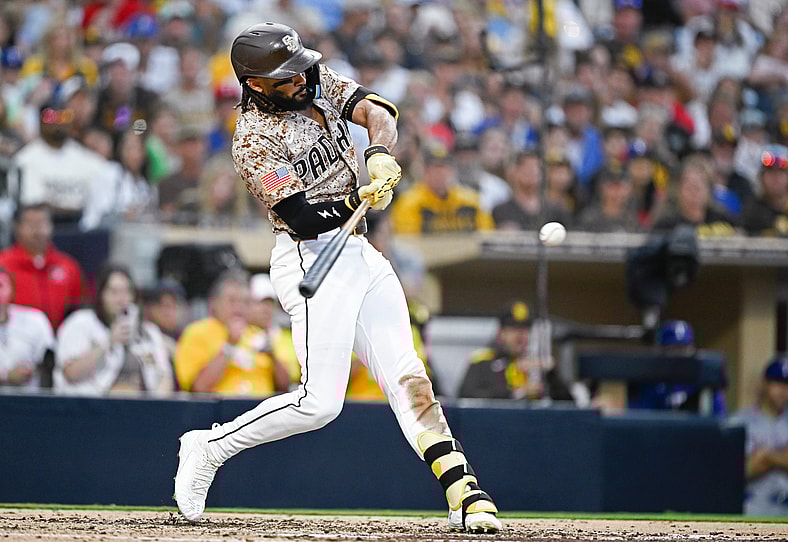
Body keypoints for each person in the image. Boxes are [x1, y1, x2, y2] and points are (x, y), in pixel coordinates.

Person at [173, 23, 501, 533]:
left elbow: (378, 110)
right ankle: (210, 446)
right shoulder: (253, 139)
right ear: (256, 84)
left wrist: (379, 153)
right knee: (319, 404)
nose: (301, 80)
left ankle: (462, 488)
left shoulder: (314, 79)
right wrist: (356, 198)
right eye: (286, 77)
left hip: (358, 251)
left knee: (408, 374)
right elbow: (300, 216)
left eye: (300, 69)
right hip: (309, 256)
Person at [53, 263, 174, 396]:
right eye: (114, 292)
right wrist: (109, 341)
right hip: (89, 403)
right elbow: (71, 374)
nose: (121, 299)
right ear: (101, 295)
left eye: (127, 292)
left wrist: (156, 403)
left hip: (140, 404)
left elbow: (164, 376)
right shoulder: (80, 323)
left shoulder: (149, 331)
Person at [174, 269, 291, 396]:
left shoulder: (257, 333)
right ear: (214, 302)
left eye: (245, 302)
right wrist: (229, 346)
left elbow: (284, 386)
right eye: (232, 301)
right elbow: (198, 389)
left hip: (262, 406)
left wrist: (273, 356)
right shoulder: (196, 333)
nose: (239, 308)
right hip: (221, 407)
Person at [459, 300, 573, 402]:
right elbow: (466, 396)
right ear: (501, 333)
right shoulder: (483, 360)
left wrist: (551, 374)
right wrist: (518, 393)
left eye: (524, 330)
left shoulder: (537, 364)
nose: (519, 336)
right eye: (513, 330)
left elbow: (569, 405)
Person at [0, 204, 85, 330]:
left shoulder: (68, 266)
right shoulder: (4, 264)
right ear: (17, 228)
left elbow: (79, 309)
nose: (38, 231)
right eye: (31, 225)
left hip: (60, 336)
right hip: (13, 336)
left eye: (43, 223)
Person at [389, 143, 495, 234]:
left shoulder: (471, 201)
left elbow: (486, 236)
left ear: (452, 171)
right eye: (434, 169)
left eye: (444, 168)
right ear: (424, 172)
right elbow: (408, 241)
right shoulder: (409, 202)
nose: (440, 174)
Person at [729, 357, 788, 517]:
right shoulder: (740, 421)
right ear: (765, 384)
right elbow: (737, 471)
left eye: (787, 385)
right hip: (753, 508)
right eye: (778, 383)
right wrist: (781, 456)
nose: (783, 391)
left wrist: (766, 456)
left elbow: (759, 461)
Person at [0, 265, 56, 391]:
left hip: (30, 397)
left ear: (12, 290)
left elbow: (50, 363)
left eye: (0, 286)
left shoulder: (35, 320)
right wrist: (6, 376)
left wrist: (32, 370)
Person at [248, 272, 300, 386]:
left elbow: (293, 379)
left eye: (270, 303)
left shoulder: (288, 337)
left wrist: (272, 356)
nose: (266, 309)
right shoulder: (238, 334)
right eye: (260, 303)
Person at [741, 145, 788, 237]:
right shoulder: (751, 211)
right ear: (761, 176)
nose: (776, 177)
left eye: (781, 171)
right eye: (770, 171)